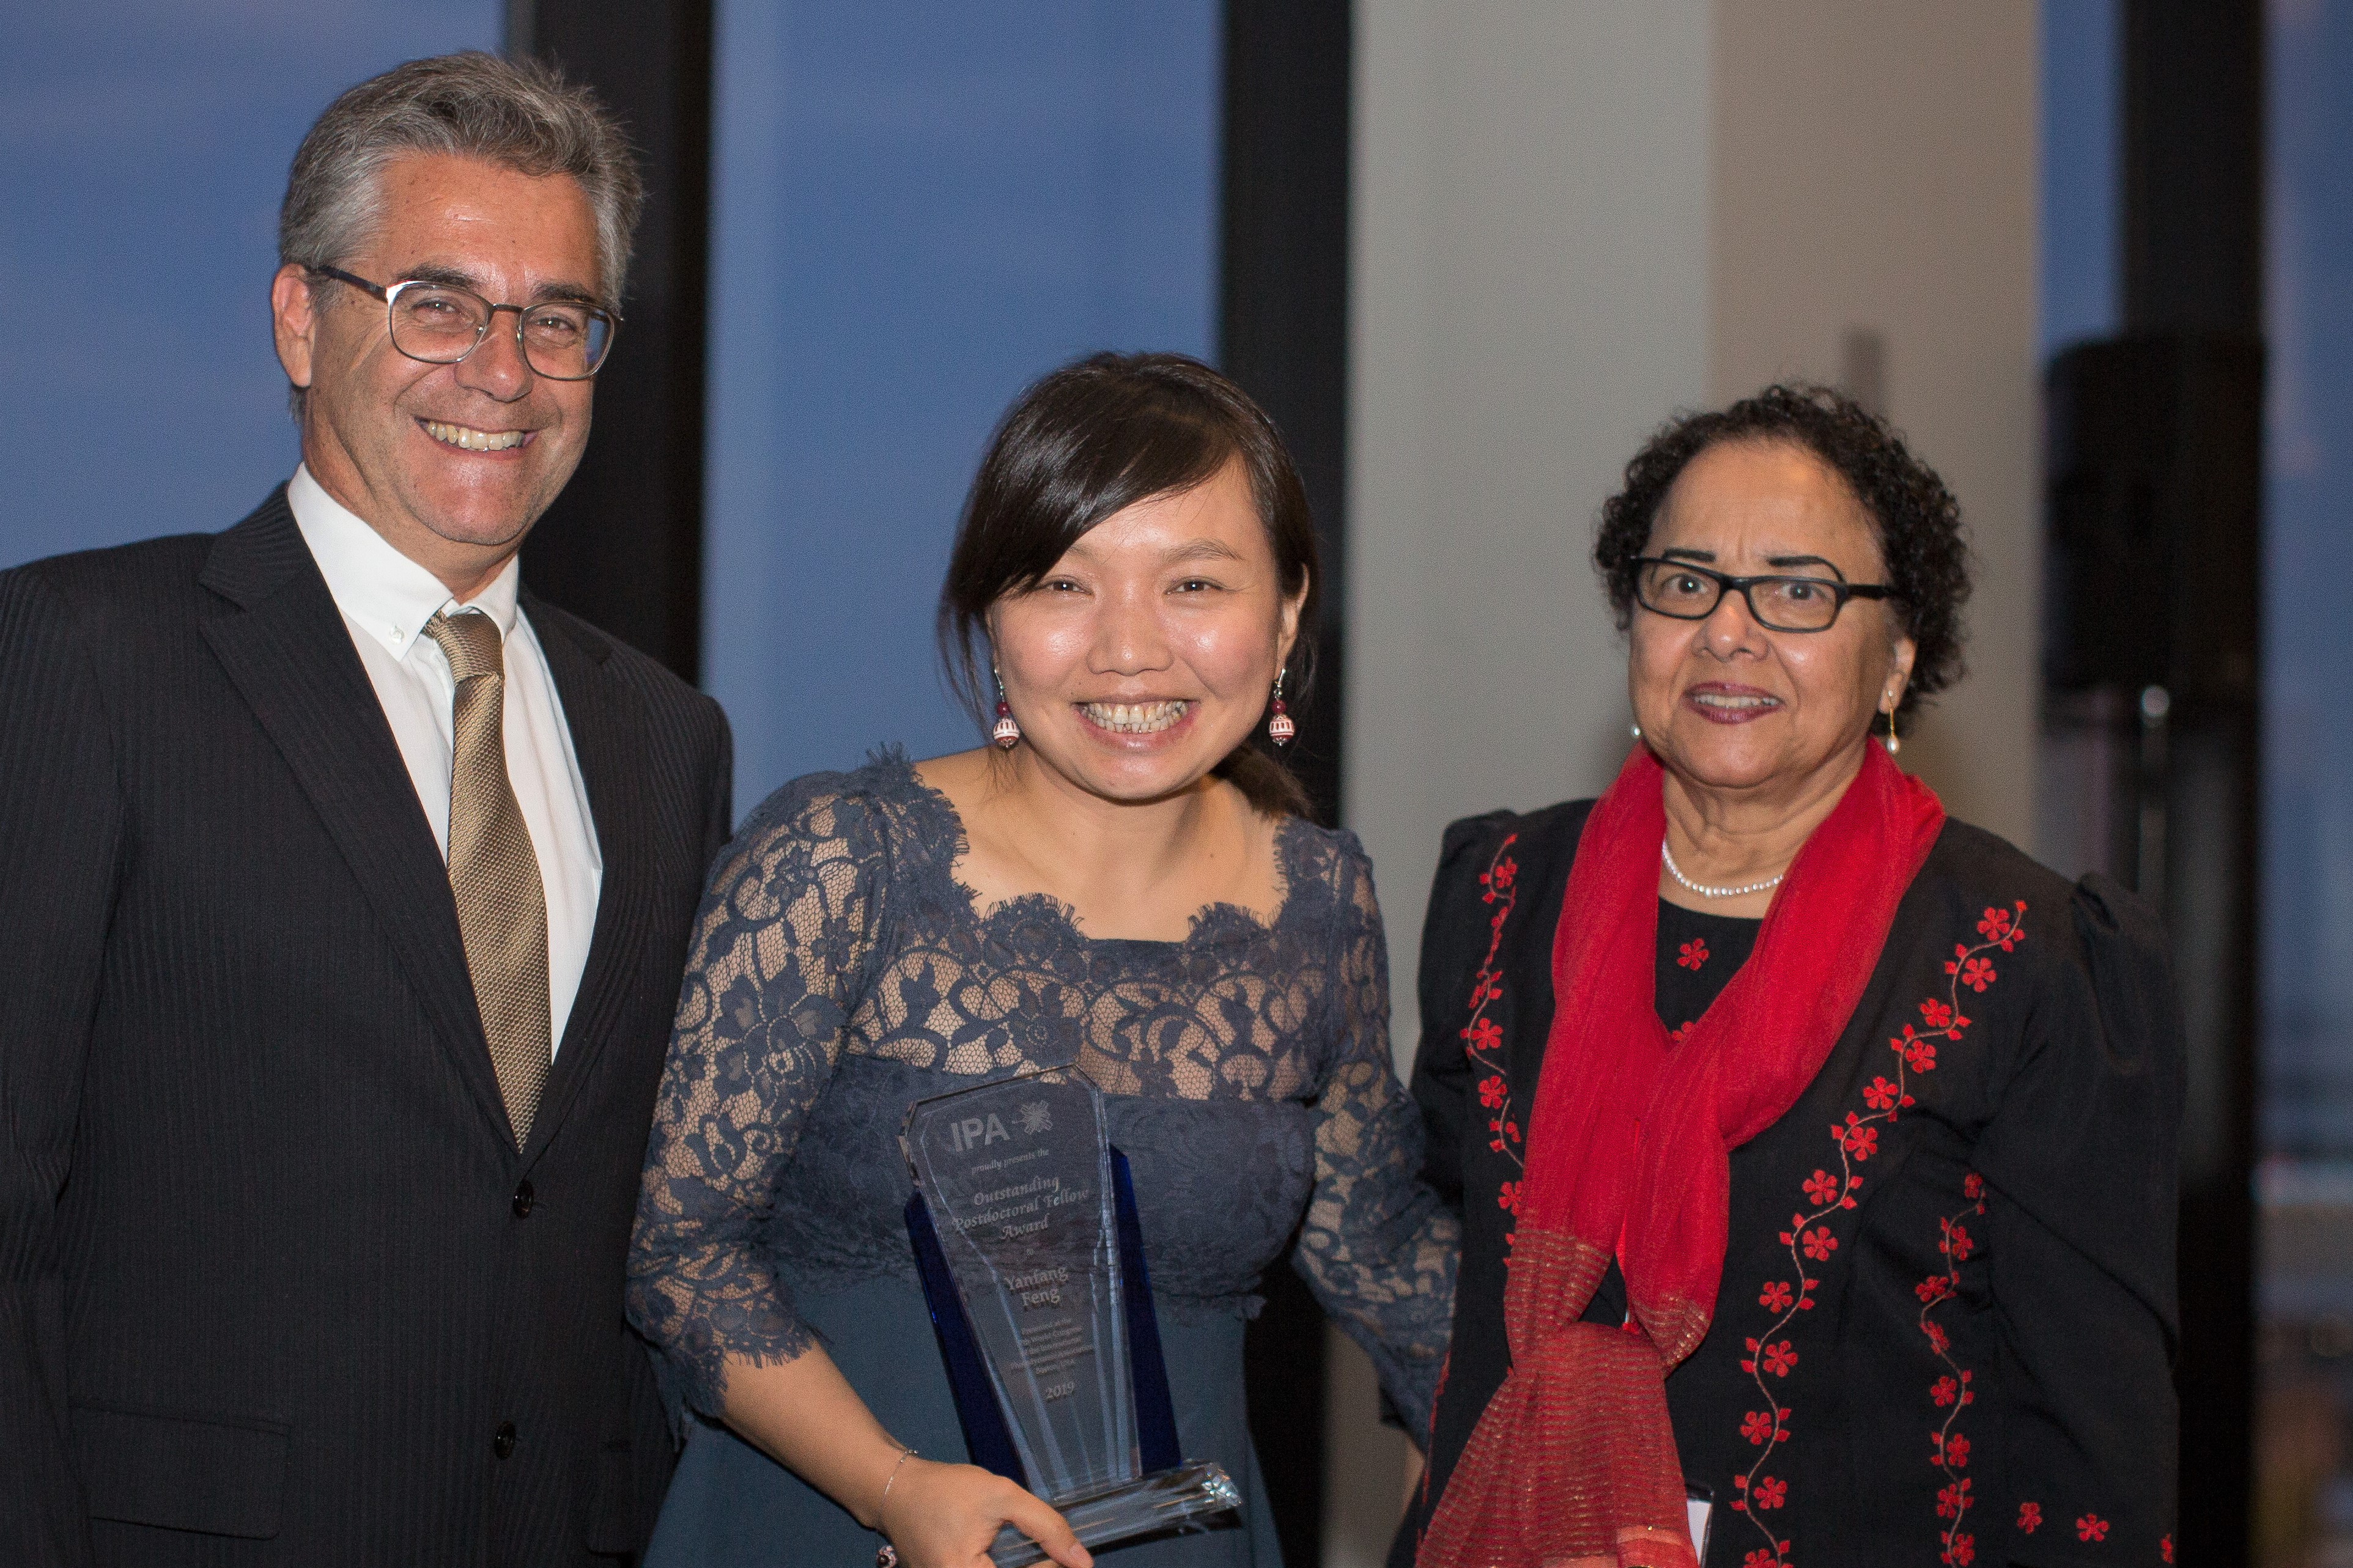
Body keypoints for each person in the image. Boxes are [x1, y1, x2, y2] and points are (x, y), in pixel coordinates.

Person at [0, 54, 732, 1567]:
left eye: (557, 320)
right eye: (438, 303)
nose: (503, 369)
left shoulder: (669, 740)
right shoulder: (82, 655)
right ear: (299, 318)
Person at [629, 352, 1456, 1568]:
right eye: (1065, 582)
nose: (1128, 649)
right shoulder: (843, 858)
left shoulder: (1318, 900)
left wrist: (1596, 1415)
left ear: (1283, 614)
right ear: (990, 616)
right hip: (832, 1528)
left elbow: (1380, 1250)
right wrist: (897, 1487)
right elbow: (679, 1256)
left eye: (1193, 583)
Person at [1397, 386, 2182, 1567]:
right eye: (1685, 581)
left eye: (1799, 591)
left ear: (1897, 657)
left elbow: (2089, 1446)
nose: (1728, 631)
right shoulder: (1502, 894)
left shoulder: (2027, 957)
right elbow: (1457, 1277)